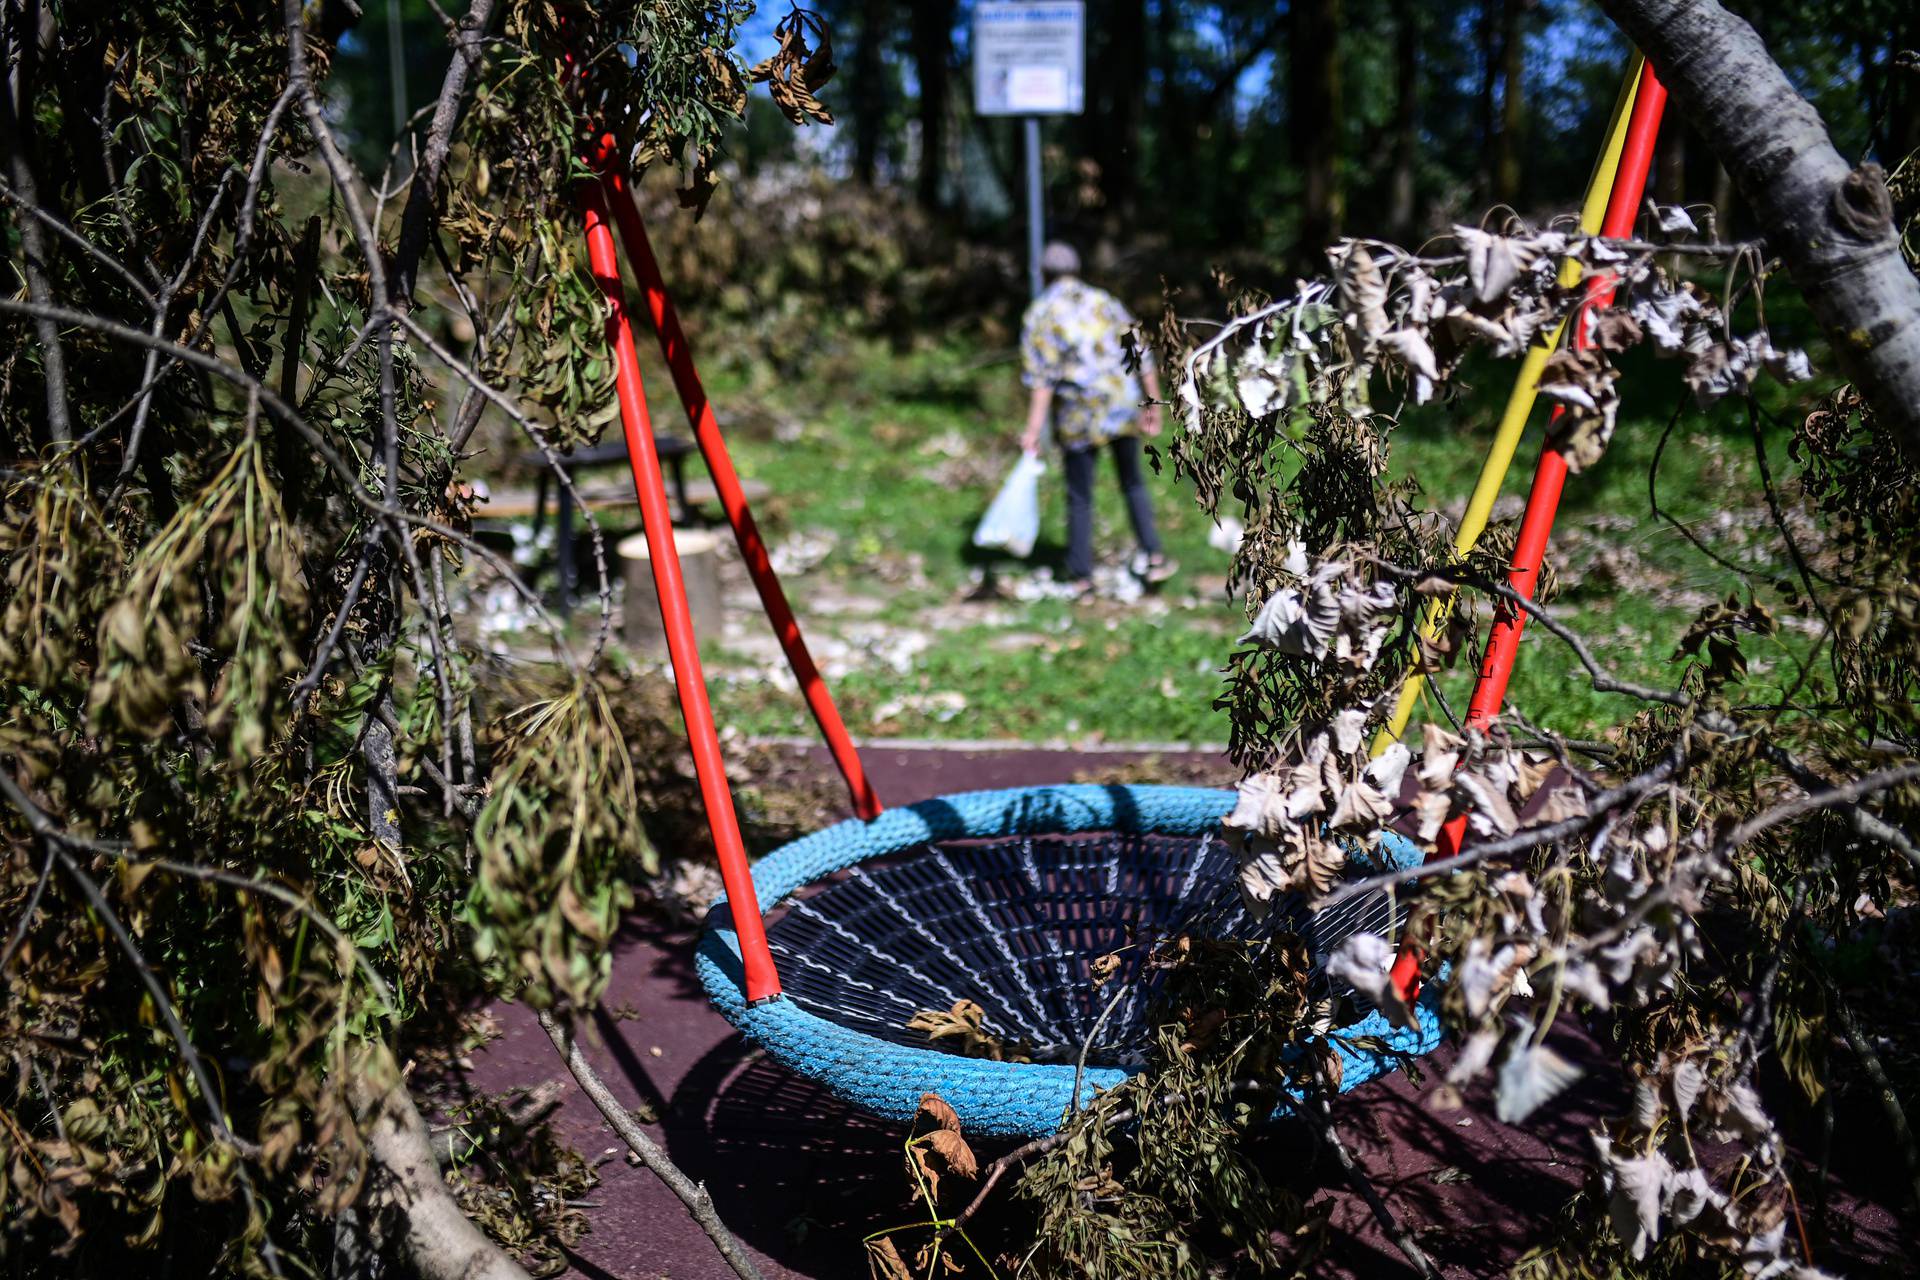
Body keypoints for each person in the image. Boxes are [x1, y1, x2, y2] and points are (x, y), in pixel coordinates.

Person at [1018, 241, 1174, 598]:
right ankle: (1154, 555)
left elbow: (1041, 382)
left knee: (1079, 495)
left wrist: (1032, 431)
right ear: (1077, 268)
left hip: (1079, 414)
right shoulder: (1105, 302)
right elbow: (1141, 352)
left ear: (1044, 274)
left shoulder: (1040, 314)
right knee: (1132, 481)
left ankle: (1081, 576)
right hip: (1121, 404)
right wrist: (1152, 401)